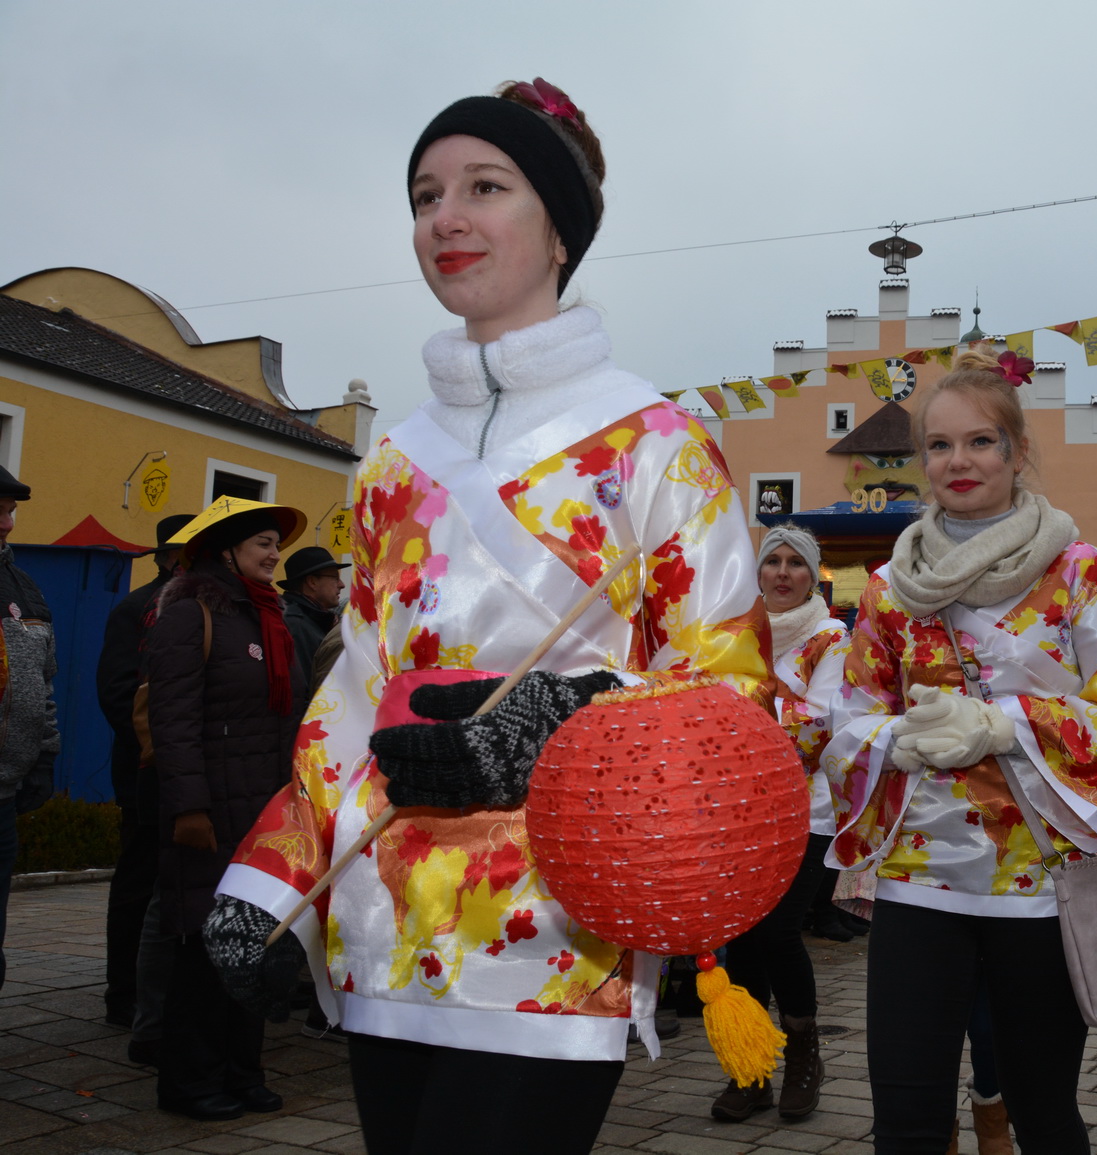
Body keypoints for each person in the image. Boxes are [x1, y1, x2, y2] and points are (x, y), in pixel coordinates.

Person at [201, 79, 770, 1154]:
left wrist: (552, 724)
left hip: (553, 919)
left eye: (484, 187)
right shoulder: (393, 460)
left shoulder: (653, 441)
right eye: (425, 195)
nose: (444, 218)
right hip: (383, 919)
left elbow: (730, 685)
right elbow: (351, 691)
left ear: (560, 227)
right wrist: (268, 879)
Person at [823, 347, 1097, 1154]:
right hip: (916, 884)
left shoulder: (1079, 571)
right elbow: (849, 716)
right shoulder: (886, 587)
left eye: (979, 442)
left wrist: (1005, 724)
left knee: (1044, 1118)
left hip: (1036, 887)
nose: (957, 461)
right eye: (938, 445)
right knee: (904, 1125)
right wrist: (897, 739)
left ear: (1017, 452)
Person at [146, 498, 308, 1119]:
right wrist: (189, 806)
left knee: (257, 941)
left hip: (263, 812)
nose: (274, 556)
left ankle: (242, 1070)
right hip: (207, 814)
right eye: (263, 544)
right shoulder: (191, 614)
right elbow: (174, 719)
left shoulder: (271, 616)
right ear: (227, 552)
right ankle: (190, 1081)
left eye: (276, 545)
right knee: (203, 949)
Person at [710, 525, 848, 1123]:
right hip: (733, 813)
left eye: (796, 563)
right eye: (773, 563)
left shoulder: (831, 639)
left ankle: (802, 1056)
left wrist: (741, 708)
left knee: (778, 933)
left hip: (805, 809)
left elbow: (819, 728)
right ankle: (751, 1066)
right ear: (757, 572)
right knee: (738, 933)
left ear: (812, 576)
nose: (783, 573)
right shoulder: (733, 635)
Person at [95, 511, 195, 1043]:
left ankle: (159, 988)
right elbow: (117, 695)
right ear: (168, 558)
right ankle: (122, 992)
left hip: (181, 774)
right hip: (144, 773)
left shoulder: (202, 607)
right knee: (136, 883)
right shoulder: (137, 609)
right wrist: (158, 754)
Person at [0, 465, 60, 993]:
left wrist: (43, 754)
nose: (6, 523)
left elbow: (43, 685)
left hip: (3, 795)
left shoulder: (24, 587)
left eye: (10, 510)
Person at [277, 546, 349, 689]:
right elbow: (303, 688)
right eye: (335, 578)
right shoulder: (296, 624)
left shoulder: (313, 620)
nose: (342, 585)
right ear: (312, 582)